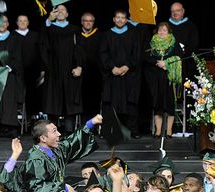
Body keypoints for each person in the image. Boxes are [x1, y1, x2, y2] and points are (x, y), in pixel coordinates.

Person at [40, 5, 84, 133]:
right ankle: (52, 131)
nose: (60, 11)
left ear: (67, 14)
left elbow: (79, 49)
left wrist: (79, 66)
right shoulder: (49, 28)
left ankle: (69, 130)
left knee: (69, 100)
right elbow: (42, 42)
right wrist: (48, 20)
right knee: (53, 99)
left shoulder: (75, 29)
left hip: (70, 69)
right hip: (53, 70)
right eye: (57, 10)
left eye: (63, 10)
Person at [100, 10, 140, 138]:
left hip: (129, 74)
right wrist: (112, 67)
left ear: (126, 20)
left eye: (123, 18)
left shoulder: (133, 34)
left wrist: (127, 66)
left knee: (131, 103)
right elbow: (103, 53)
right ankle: (109, 130)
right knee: (110, 103)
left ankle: (132, 130)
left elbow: (136, 52)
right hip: (112, 75)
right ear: (113, 19)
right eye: (118, 17)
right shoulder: (107, 35)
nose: (120, 20)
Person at [144, 22, 183, 138]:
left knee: (170, 104)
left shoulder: (174, 44)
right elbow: (145, 58)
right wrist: (157, 63)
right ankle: (158, 130)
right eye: (160, 30)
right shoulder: (151, 44)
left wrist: (166, 63)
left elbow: (179, 58)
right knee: (157, 103)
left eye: (165, 30)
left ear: (169, 32)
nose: (162, 32)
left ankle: (169, 130)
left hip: (169, 77)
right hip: (155, 78)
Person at [14, 15, 42, 118]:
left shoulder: (35, 36)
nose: (22, 22)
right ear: (17, 23)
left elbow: (40, 53)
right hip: (16, 71)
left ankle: (32, 117)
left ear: (28, 22)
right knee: (17, 93)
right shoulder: (12, 36)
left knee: (32, 94)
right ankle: (19, 116)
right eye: (20, 21)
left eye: (25, 20)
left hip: (32, 71)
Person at [76, 12, 102, 122]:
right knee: (81, 99)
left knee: (95, 99)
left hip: (95, 72)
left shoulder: (100, 35)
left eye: (90, 21)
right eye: (86, 20)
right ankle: (83, 124)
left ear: (93, 22)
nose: (88, 23)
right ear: (82, 22)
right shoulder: (76, 35)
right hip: (80, 72)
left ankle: (94, 125)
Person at [167, 2, 199, 84]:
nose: (175, 13)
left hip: (186, 63)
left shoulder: (191, 26)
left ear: (183, 11)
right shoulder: (165, 26)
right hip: (168, 64)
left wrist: (182, 53)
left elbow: (194, 45)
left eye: (178, 10)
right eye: (173, 11)